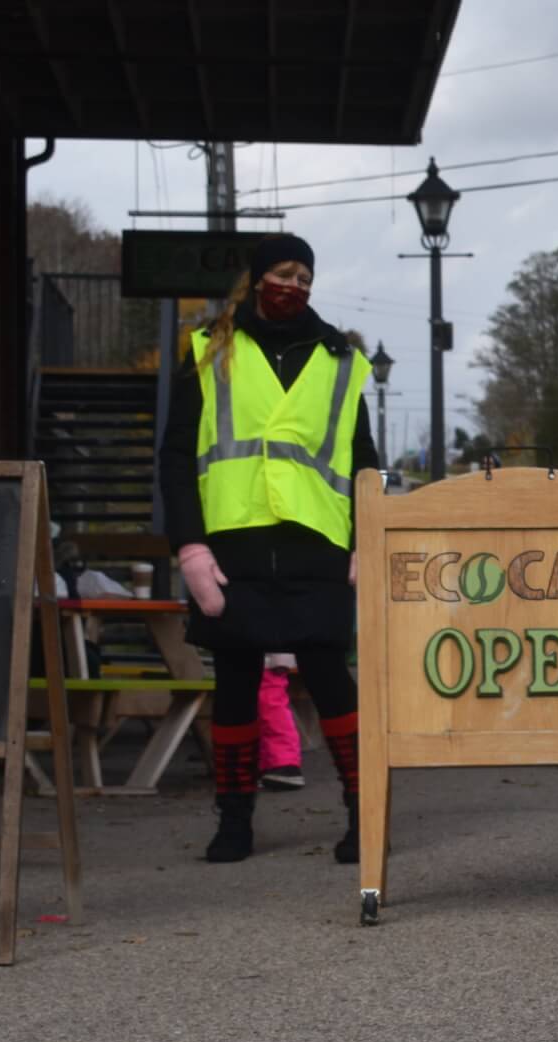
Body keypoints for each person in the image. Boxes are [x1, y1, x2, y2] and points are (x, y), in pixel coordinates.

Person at [158, 234, 376, 864]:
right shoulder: (208, 352)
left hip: (317, 542)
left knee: (331, 675)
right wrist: (189, 548)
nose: (295, 285)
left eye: (305, 275)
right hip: (236, 541)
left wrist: (368, 537)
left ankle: (366, 816)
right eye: (283, 273)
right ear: (256, 280)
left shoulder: (341, 359)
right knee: (236, 679)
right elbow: (177, 458)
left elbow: (363, 460)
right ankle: (233, 822)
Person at [259, 654, 306, 790]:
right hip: (260, 659)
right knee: (264, 714)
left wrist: (281, 661)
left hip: (267, 663)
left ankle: (285, 764)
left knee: (273, 713)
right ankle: (269, 765)